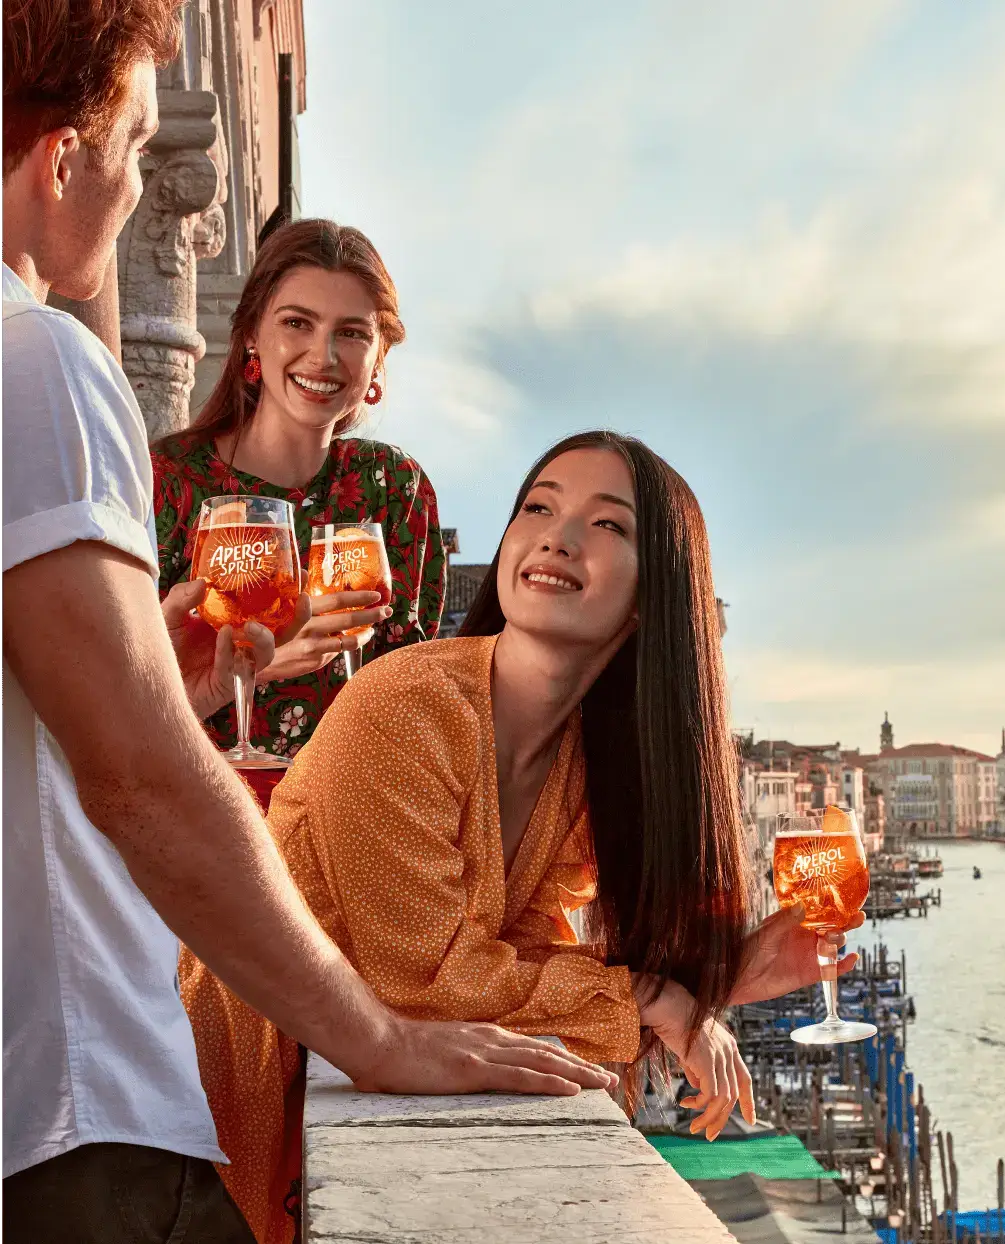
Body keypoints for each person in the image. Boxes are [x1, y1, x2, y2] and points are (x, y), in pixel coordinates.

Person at [0, 6, 615, 1241]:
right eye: (128, 145)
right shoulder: (39, 367)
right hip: (80, 1082)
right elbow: (141, 780)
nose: (128, 195)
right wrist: (378, 1033)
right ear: (64, 158)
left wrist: (154, 671)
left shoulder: (391, 488)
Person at [181, 431, 862, 1243]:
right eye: (538, 507)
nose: (557, 536)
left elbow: (518, 952)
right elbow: (425, 977)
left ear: (655, 594)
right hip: (224, 1108)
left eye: (607, 525)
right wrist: (653, 1000)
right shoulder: (406, 702)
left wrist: (726, 979)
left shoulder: (579, 767)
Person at [152, 218, 445, 773]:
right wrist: (256, 666)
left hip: (352, 815)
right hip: (198, 812)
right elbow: (108, 704)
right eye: (297, 323)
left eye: (352, 332)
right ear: (251, 337)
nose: (323, 355)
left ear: (379, 358)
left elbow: (417, 691)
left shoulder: (394, 487)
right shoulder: (165, 483)